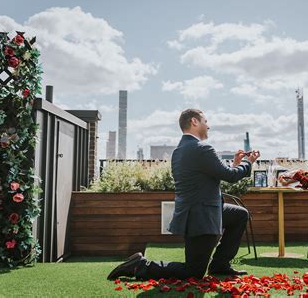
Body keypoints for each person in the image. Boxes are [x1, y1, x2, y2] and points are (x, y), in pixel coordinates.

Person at [107, 109, 260, 280]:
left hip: (202, 210)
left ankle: (220, 265)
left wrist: (236, 164)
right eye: (206, 121)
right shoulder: (202, 148)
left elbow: (214, 175)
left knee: (239, 215)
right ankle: (140, 266)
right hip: (202, 216)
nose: (208, 126)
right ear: (194, 122)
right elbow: (231, 177)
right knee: (193, 272)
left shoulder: (181, 150)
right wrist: (248, 162)